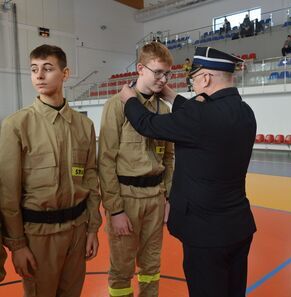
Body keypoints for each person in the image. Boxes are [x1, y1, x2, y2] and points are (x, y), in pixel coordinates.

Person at [119, 46, 257, 297]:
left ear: (205, 78)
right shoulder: (245, 112)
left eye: (193, 79)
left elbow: (146, 123)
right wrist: (170, 95)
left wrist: (128, 98)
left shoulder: (200, 115)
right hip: (238, 227)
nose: (193, 84)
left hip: (206, 235)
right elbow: (199, 115)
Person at [0, 44, 101, 297]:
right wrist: (18, 245)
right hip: (38, 237)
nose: (39, 76)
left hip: (77, 232)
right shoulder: (16, 125)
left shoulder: (84, 125)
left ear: (65, 74)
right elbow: (8, 193)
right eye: (34, 70)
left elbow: (90, 179)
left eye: (47, 68)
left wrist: (92, 229)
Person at [98, 41, 174, 297]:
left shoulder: (164, 110)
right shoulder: (116, 106)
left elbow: (170, 159)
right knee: (121, 268)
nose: (163, 79)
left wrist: (167, 197)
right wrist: (115, 209)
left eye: (167, 74)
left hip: (155, 197)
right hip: (126, 199)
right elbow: (105, 161)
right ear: (141, 69)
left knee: (152, 265)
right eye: (158, 72)